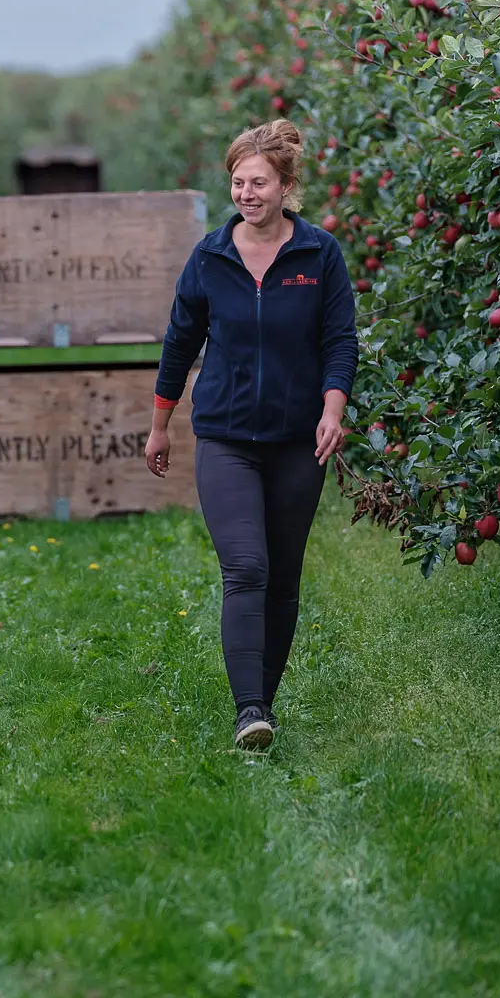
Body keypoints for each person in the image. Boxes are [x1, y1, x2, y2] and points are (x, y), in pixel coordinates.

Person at [145, 119, 358, 751]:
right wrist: (160, 424)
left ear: (286, 186)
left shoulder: (319, 255)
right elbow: (180, 342)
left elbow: (339, 340)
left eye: (259, 182)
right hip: (226, 437)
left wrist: (332, 409)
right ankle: (248, 710)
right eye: (238, 182)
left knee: (284, 575)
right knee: (246, 566)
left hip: (298, 439)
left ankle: (264, 699)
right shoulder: (210, 257)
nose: (246, 194)